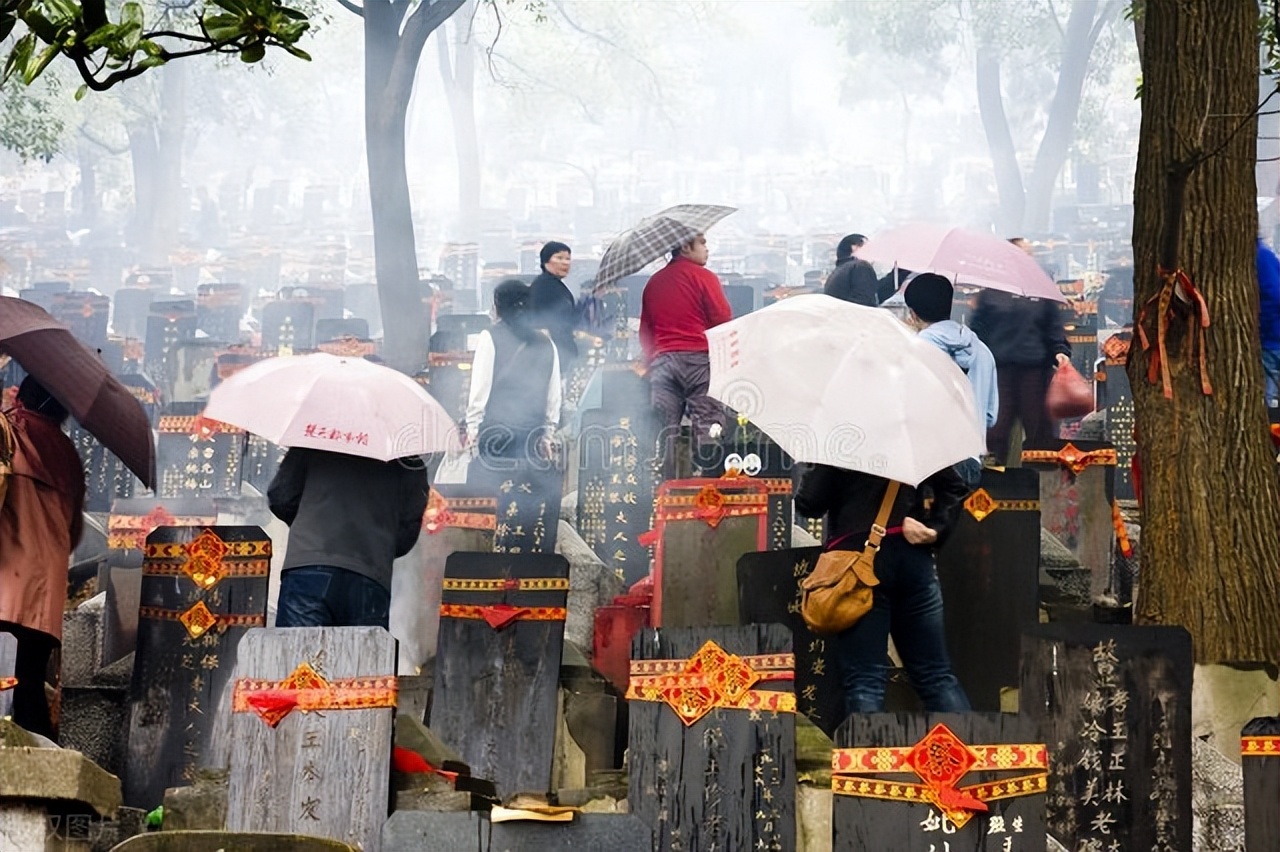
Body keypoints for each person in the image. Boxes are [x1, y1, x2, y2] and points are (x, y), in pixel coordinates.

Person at [795, 462, 970, 716]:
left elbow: (809, 503)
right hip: (913, 560)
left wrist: (822, 464)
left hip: (859, 566)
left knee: (865, 682)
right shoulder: (908, 430)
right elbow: (954, 486)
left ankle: (868, 755)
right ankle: (967, 752)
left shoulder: (845, 437)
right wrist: (935, 528)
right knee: (936, 676)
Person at [0, 377, 85, 739]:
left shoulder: (8, 434)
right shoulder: (69, 455)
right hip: (45, 597)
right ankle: (41, 788)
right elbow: (74, 531)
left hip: (6, 586)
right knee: (30, 691)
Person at [269, 447, 429, 630]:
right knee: (359, 656)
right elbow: (407, 529)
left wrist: (310, 522)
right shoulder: (406, 459)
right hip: (370, 576)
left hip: (309, 567)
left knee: (301, 654)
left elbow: (281, 497)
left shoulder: (313, 442)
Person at [466, 279, 563, 550]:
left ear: (498, 305)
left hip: (495, 435)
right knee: (527, 502)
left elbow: (480, 389)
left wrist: (473, 428)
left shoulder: (490, 336)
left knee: (495, 502)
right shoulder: (546, 342)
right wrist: (548, 433)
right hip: (531, 435)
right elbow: (553, 395)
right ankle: (526, 562)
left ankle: (492, 559)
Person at [639, 233, 733, 475]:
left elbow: (646, 331)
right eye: (702, 242)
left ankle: (666, 488)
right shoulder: (704, 277)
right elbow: (722, 319)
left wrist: (652, 362)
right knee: (708, 423)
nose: (706, 248)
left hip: (662, 364)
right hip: (697, 360)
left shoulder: (654, 282)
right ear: (684, 246)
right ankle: (708, 486)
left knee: (665, 431)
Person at [970, 239, 1070, 463]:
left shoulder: (1041, 290)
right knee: (995, 431)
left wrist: (1060, 351)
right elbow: (978, 331)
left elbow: (1054, 328)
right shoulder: (991, 293)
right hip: (999, 372)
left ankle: (1042, 485)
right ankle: (995, 484)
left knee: (1040, 434)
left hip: (1035, 372)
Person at [903, 273, 999, 487]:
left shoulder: (914, 351)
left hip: (927, 465)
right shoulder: (982, 351)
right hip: (970, 464)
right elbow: (990, 417)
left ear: (913, 313)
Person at [529, 240, 578, 370]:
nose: (565, 263)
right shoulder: (544, 286)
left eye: (568, 259)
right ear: (546, 261)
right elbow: (540, 321)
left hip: (562, 350)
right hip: (553, 353)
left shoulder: (555, 285)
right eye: (559, 258)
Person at [823, 234, 881, 306]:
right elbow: (866, 301)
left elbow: (874, 292)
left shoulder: (840, 271)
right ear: (854, 247)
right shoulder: (860, 266)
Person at [1258, 237, 1280, 406]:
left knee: (1264, 401)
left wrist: (1260, 330)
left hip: (1270, 341)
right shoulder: (1264, 255)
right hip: (1271, 338)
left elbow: (1274, 296)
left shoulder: (1260, 256)